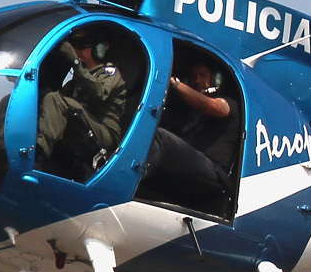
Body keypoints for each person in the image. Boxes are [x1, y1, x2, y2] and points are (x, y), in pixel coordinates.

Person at [36, 28, 130, 176]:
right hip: (82, 129)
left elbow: (99, 93)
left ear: (97, 50)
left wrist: (75, 62)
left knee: (55, 100)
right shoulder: (76, 82)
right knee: (47, 99)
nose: (77, 51)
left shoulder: (110, 73)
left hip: (103, 132)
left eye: (82, 47)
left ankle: (38, 156)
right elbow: (54, 104)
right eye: (75, 48)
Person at [144, 57, 236, 197]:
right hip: (189, 166)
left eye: (202, 75)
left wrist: (175, 84)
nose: (197, 81)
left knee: (161, 138)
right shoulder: (188, 114)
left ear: (216, 79)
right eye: (194, 77)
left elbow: (215, 107)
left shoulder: (229, 103)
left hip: (213, 170)